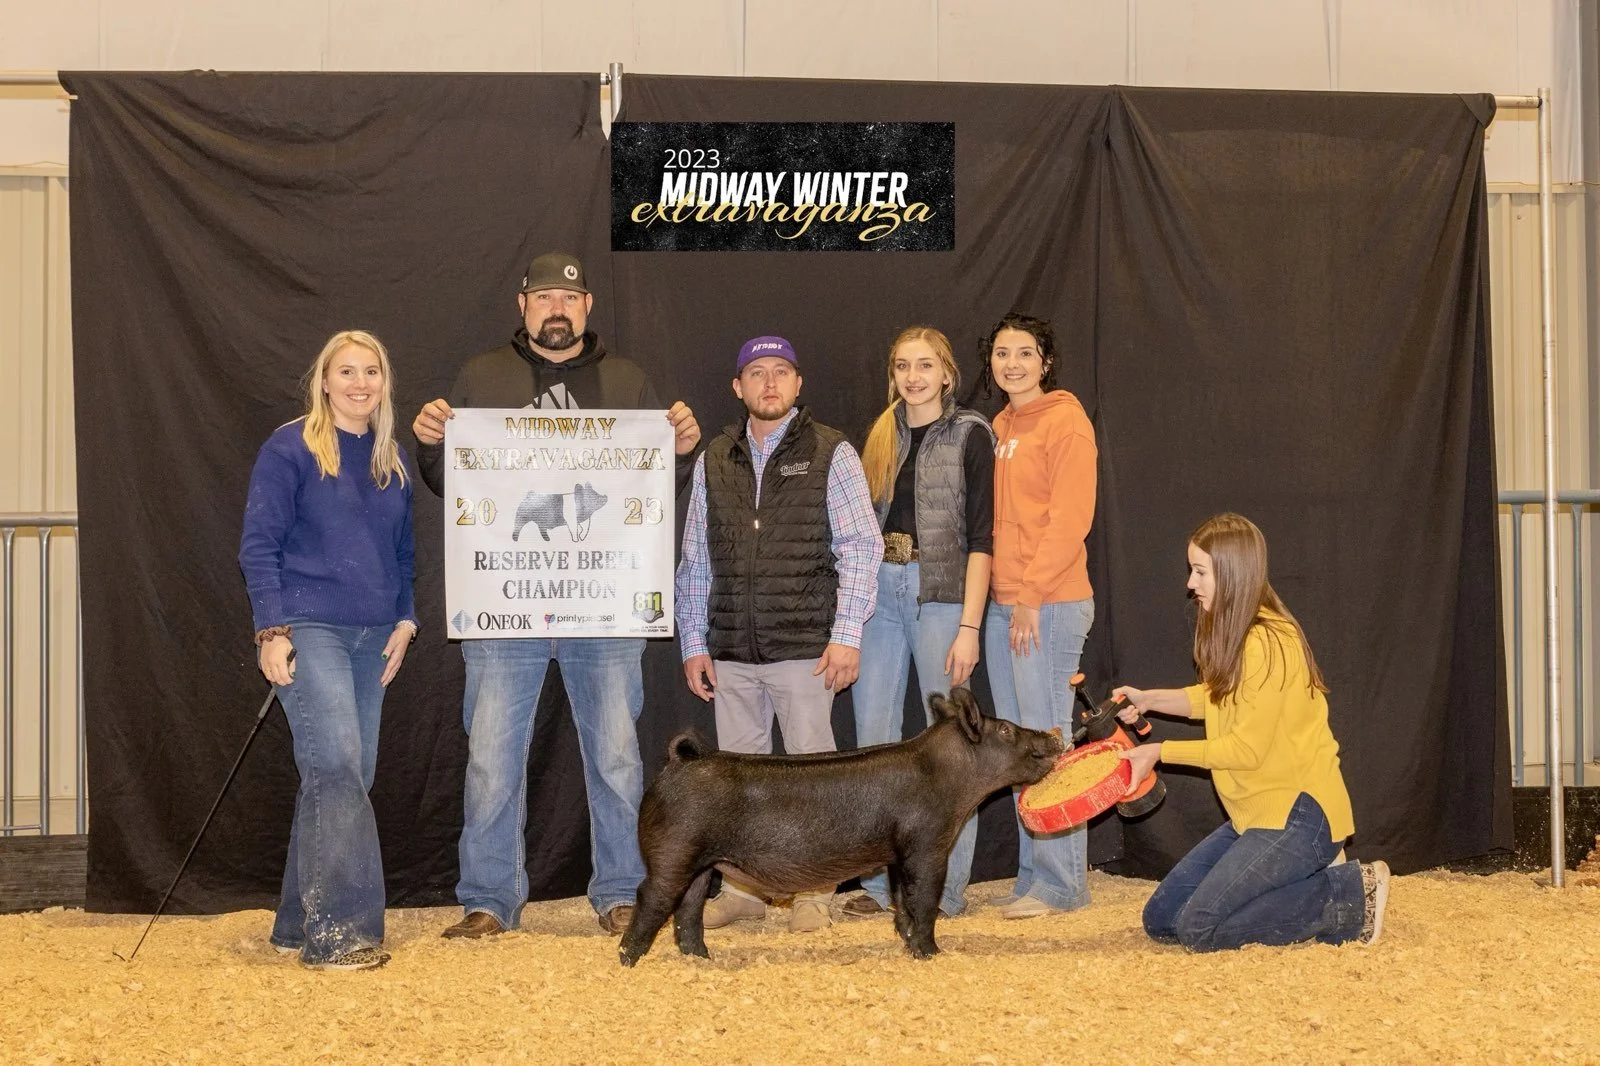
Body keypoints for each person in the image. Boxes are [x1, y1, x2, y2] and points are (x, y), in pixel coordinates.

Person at [412, 252, 701, 939]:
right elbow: (456, 487)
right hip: (503, 602)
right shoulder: (481, 376)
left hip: (603, 603)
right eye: (542, 298)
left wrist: (681, 451)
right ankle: (489, 897)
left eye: (566, 300)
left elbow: (650, 491)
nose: (555, 310)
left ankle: (623, 892)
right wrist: (430, 445)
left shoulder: (628, 381)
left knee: (618, 758)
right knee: (489, 758)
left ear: (587, 306)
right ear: (523, 307)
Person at [676, 335, 884, 933]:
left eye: (782, 372)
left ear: (798, 385)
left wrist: (847, 635)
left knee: (813, 780)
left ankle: (816, 890)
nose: (770, 383)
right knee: (738, 786)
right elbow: (696, 559)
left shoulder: (831, 451)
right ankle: (745, 889)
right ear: (738, 388)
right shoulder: (716, 457)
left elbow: (861, 547)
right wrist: (695, 643)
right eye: (757, 373)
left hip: (805, 650)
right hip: (734, 652)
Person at [1113, 513, 1390, 951]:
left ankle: (1346, 896)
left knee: (1198, 929)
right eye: (1192, 570)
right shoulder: (1239, 632)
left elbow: (1246, 749)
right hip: (1255, 815)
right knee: (1162, 919)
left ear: (1233, 574)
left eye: (1201, 572)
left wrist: (1159, 751)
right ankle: (1306, 880)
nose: (1191, 583)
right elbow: (1216, 697)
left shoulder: (1269, 642)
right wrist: (1149, 699)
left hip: (1300, 814)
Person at [239, 329, 418, 971]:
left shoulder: (388, 457)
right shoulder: (290, 447)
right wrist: (271, 630)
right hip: (309, 627)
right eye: (347, 371)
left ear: (383, 382)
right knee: (338, 769)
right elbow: (259, 545)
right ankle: (337, 934)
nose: (360, 383)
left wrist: (406, 619)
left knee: (342, 775)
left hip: (373, 636)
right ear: (324, 380)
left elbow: (402, 551)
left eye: (371, 371)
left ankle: (294, 922)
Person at [840, 326, 994, 921]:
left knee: (953, 748)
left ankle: (946, 889)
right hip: (882, 588)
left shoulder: (971, 434)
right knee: (875, 744)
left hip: (944, 595)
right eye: (903, 365)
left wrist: (971, 627)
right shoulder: (878, 437)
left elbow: (983, 537)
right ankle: (878, 889)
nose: (913, 376)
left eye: (925, 365)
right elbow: (858, 533)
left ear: (947, 373)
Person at [981, 313, 1097, 919]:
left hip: (1047, 603)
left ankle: (1063, 884)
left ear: (1045, 361)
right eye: (1002, 353)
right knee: (1020, 742)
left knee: (1049, 737)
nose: (1013, 364)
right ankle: (1034, 875)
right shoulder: (1000, 425)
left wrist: (1029, 596)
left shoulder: (1066, 421)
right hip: (1006, 603)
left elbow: (1070, 519)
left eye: (1024, 353)